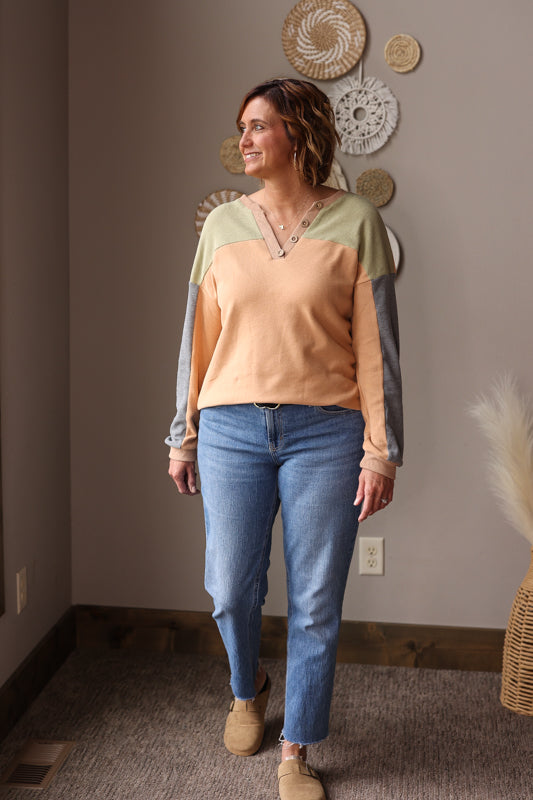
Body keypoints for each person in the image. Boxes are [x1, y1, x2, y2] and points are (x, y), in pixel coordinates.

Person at [166, 78, 403, 800]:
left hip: (325, 434)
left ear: (298, 134)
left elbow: (377, 350)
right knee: (228, 588)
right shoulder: (220, 227)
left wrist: (381, 449)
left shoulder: (357, 221)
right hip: (231, 428)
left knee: (314, 599)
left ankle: (294, 749)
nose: (242, 139)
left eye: (258, 126)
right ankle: (249, 688)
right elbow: (195, 341)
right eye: (241, 126)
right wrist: (183, 436)